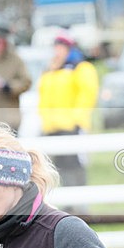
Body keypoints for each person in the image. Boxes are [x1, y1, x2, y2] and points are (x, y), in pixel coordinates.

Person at [38, 32, 99, 187]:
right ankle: (67, 206)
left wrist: (77, 120)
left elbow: (87, 94)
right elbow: (44, 97)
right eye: (56, 47)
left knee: (75, 165)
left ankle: (80, 205)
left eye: (61, 47)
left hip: (71, 125)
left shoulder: (80, 67)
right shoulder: (50, 70)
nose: (57, 51)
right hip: (53, 126)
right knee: (58, 168)